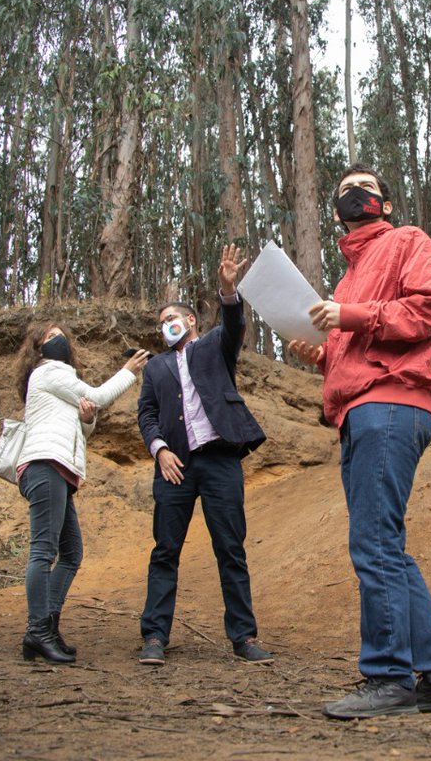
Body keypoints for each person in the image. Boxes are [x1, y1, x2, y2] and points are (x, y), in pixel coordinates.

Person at [288, 164, 431, 719]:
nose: (354, 196)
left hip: (391, 404)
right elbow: (356, 348)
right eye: (344, 191)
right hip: (358, 411)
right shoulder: (347, 277)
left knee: (373, 547)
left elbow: (427, 311)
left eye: (365, 188)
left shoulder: (408, 241)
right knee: (383, 547)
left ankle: (389, 676)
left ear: (386, 203)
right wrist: (321, 353)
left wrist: (350, 314)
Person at [136, 244, 272, 666]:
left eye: (172, 319)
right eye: (162, 323)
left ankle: (244, 637)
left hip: (219, 462)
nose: (167, 326)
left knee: (230, 548)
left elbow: (233, 325)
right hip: (174, 467)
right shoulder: (156, 368)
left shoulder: (214, 346)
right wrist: (159, 451)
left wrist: (228, 290)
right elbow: (147, 414)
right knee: (165, 551)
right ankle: (155, 637)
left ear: (190, 321)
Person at [14, 324, 149, 663]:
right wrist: (128, 372)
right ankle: (37, 631)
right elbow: (100, 395)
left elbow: (81, 428)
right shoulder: (48, 372)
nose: (57, 339)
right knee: (43, 552)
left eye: (60, 334)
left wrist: (86, 418)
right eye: (49, 336)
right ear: (39, 349)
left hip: (57, 468)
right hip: (44, 465)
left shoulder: (60, 379)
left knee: (71, 553)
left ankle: (48, 625)